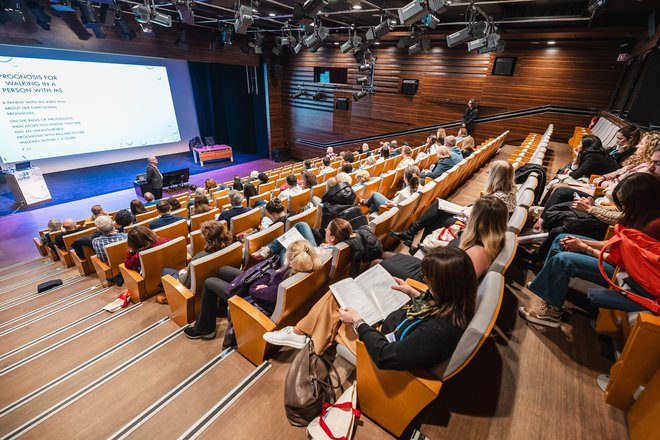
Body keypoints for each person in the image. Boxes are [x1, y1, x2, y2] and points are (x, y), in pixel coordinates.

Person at [264, 246, 476, 370]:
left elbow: (386, 355)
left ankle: (302, 335)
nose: (426, 283)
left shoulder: (438, 331)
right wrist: (413, 294)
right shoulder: (455, 301)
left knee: (335, 301)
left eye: (430, 280)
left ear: (445, 285)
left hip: (377, 348)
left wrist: (358, 322)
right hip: (391, 324)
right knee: (337, 297)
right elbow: (426, 311)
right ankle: (305, 336)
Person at [519, 173, 660, 327]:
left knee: (564, 260)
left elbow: (620, 259)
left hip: (627, 275)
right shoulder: (641, 216)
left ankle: (552, 313)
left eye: (625, 203)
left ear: (640, 201)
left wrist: (585, 247)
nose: (623, 208)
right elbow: (616, 244)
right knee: (562, 238)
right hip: (622, 264)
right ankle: (547, 287)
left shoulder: (653, 226)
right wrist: (580, 242)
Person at [184, 240, 323, 346]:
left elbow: (254, 291)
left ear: (292, 260)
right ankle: (221, 308)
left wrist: (266, 276)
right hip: (263, 287)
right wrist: (269, 275)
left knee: (209, 282)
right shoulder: (303, 269)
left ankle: (205, 329)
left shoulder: (285, 281)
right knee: (223, 270)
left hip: (252, 300)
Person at [383, 196, 507, 282]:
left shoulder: (477, 254)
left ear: (477, 220)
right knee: (384, 254)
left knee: (378, 263)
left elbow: (449, 288)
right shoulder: (488, 241)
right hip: (430, 269)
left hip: (429, 280)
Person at [392, 162, 516, 248]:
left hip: (474, 230)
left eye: (490, 174)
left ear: (495, 177)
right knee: (439, 206)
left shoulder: (497, 199)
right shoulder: (509, 193)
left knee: (438, 214)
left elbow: (482, 221)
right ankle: (415, 239)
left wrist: (468, 212)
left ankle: (413, 237)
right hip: (478, 223)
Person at [160, 221, 233, 302]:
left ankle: (172, 298)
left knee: (166, 271)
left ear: (206, 238)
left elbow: (184, 283)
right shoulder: (232, 247)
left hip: (195, 291)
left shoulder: (200, 257)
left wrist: (182, 273)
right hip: (219, 282)